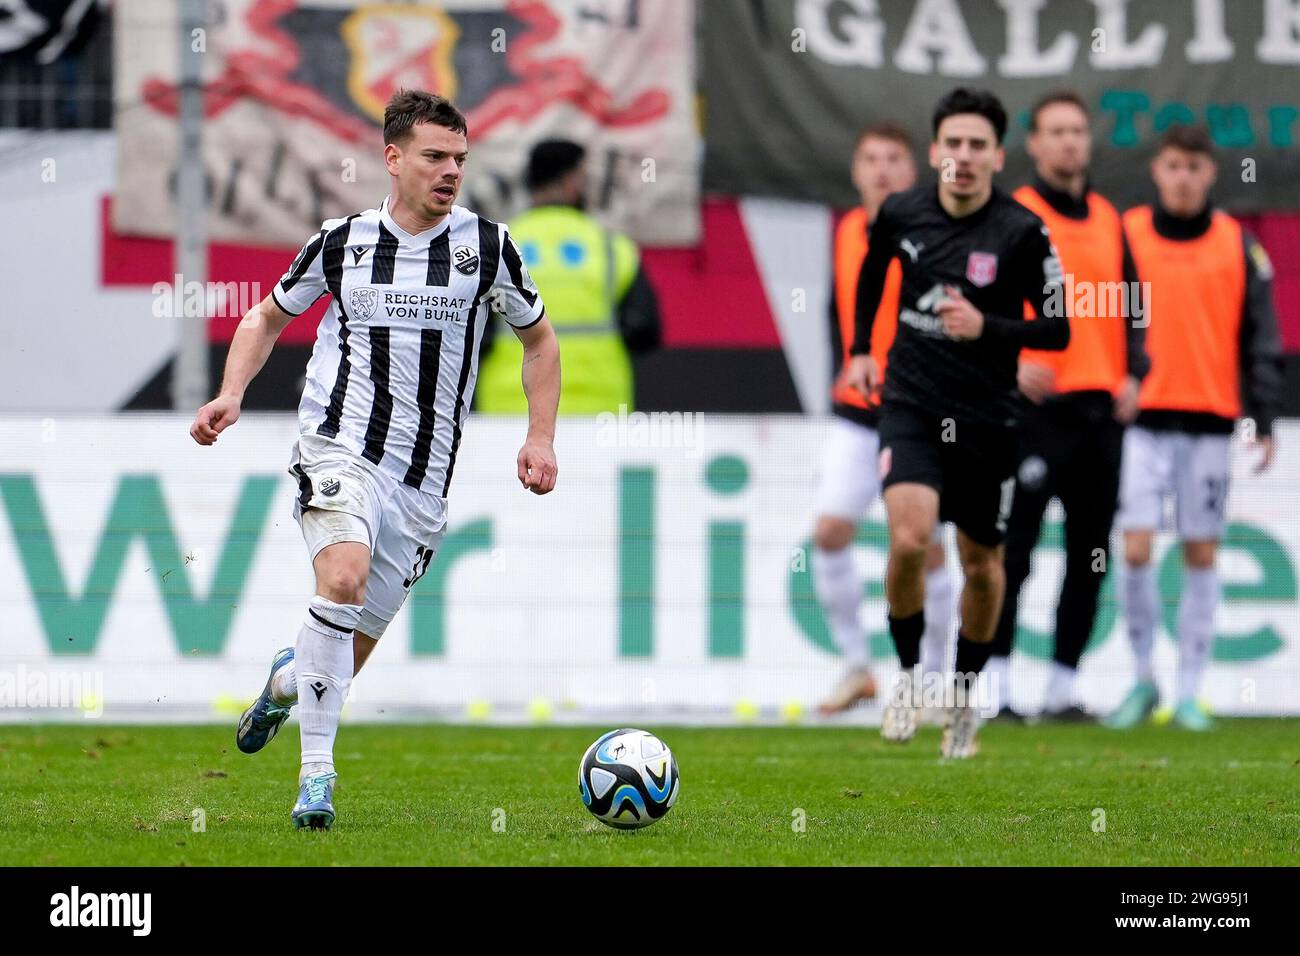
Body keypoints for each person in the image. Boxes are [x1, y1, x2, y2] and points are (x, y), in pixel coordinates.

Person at [189, 89, 561, 828]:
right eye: (433, 156)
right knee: (344, 575)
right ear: (392, 159)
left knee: (337, 658)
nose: (450, 170)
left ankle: (286, 683)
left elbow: (539, 340)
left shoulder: (487, 247)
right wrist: (231, 392)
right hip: (339, 445)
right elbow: (266, 316)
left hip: (423, 483)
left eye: (459, 157)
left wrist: (540, 435)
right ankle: (316, 780)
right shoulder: (342, 241)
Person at [842, 88, 1069, 757]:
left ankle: (964, 696)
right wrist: (860, 349)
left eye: (978, 145)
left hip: (988, 418)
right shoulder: (901, 212)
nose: (963, 157)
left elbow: (1058, 328)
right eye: (953, 144)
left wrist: (987, 328)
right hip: (911, 403)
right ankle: (911, 682)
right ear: (935, 151)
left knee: (982, 565)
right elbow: (872, 273)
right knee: (910, 541)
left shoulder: (1023, 232)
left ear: (999, 155)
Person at [1106, 125, 1282, 732]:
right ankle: (1142, 679)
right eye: (1173, 165)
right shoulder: (1125, 234)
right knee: (1133, 547)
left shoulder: (1239, 245)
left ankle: (1189, 691)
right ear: (1157, 169)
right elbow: (1094, 315)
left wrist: (1263, 414)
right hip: (1140, 421)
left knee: (1200, 551)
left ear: (1210, 174)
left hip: (1209, 419)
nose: (1183, 177)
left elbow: (1261, 336)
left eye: (1194, 167)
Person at [985, 91, 1150, 722]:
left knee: (1090, 555)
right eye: (1055, 131)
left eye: (1077, 131)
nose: (1068, 142)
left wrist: (1136, 372)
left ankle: (1062, 688)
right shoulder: (1013, 214)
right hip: (1033, 414)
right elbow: (982, 302)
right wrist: (1010, 360)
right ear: (1033, 143)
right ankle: (996, 690)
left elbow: (1136, 305)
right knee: (1015, 552)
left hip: (1100, 414)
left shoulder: (1110, 218)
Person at [814, 123, 954, 717]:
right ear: (855, 170)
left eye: (893, 159)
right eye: (869, 159)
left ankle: (937, 681)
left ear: (912, 169)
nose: (881, 170)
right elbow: (839, 304)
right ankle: (857, 667)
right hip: (857, 412)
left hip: (922, 413)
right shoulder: (848, 230)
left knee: (927, 547)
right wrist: (841, 363)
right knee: (828, 533)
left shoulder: (933, 230)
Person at [475, 138, 660, 414]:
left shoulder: (495, 247)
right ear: (571, 181)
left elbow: (471, 334)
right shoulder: (612, 248)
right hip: (598, 411)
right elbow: (646, 331)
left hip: (512, 412)